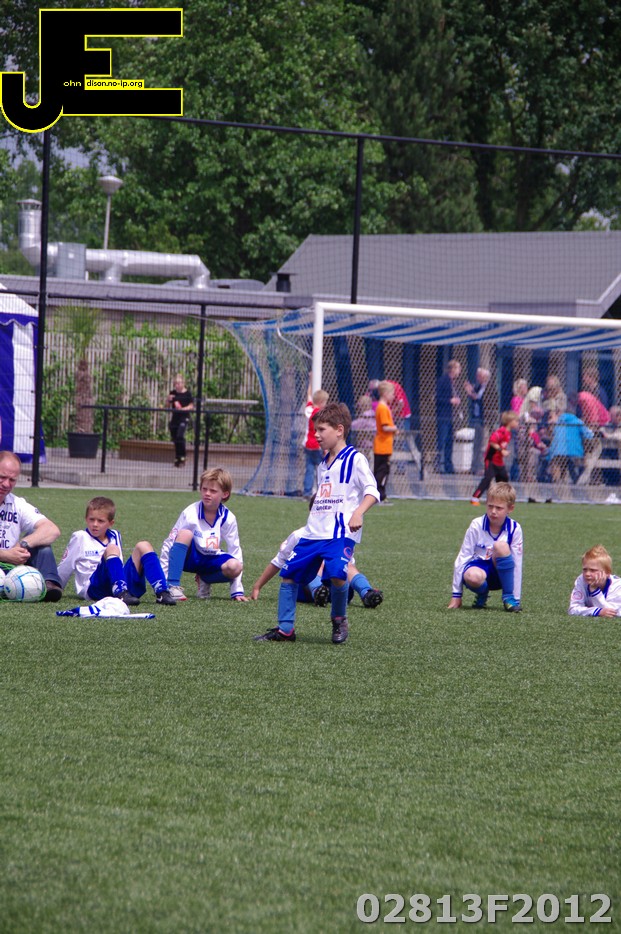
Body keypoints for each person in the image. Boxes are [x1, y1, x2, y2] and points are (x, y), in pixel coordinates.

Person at [254, 401, 380, 644]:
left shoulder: (355, 459)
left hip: (339, 533)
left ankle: (339, 620)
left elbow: (372, 491)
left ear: (339, 430)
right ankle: (285, 630)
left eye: (321, 429)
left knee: (337, 575)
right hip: (313, 533)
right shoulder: (323, 464)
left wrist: (358, 513)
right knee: (289, 575)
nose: (317, 435)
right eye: (315, 430)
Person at [58, 496, 176, 606]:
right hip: (94, 588)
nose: (95, 524)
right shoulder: (80, 537)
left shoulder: (115, 535)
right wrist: (56, 586)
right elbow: (66, 564)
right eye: (91, 519)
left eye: (100, 521)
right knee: (111, 548)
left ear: (111, 523)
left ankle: (162, 592)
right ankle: (121, 593)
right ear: (86, 519)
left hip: (119, 583)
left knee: (144, 545)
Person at [160, 466, 247, 602]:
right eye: (204, 489)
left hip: (211, 559)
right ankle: (173, 586)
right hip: (190, 559)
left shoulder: (228, 518)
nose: (207, 493)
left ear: (225, 494)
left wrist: (236, 590)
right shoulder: (190, 512)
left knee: (235, 566)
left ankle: (205, 579)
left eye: (213, 491)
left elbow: (235, 550)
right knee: (184, 534)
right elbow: (169, 544)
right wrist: (162, 582)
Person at [250, 525, 383, 608]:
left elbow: (347, 567)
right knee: (315, 561)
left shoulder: (341, 536)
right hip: (305, 589)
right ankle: (318, 591)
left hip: (337, 588)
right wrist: (257, 587)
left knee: (347, 565)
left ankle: (367, 593)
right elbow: (279, 561)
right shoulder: (300, 535)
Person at [448, 481, 523, 612]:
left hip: (501, 575)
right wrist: (456, 595)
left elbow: (517, 563)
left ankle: (508, 598)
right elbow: (463, 556)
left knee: (501, 546)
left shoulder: (515, 528)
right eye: (490, 506)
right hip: (479, 570)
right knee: (472, 576)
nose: (493, 511)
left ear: (510, 509)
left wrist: (516, 598)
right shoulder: (476, 524)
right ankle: (482, 594)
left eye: (499, 508)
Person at [0, 451, 63, 601]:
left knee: (41, 544)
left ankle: (49, 585)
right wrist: (5, 555)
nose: (6, 484)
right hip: (6, 560)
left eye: (12, 480)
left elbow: (52, 530)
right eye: (2, 477)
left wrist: (23, 544)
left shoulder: (17, 503)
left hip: (13, 566)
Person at [471, 411, 519, 505]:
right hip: (491, 459)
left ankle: (498, 499)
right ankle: (475, 497)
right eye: (516, 421)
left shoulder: (509, 433)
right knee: (488, 478)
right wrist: (502, 450)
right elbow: (492, 442)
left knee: (503, 479)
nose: (517, 423)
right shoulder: (501, 431)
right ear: (509, 422)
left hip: (499, 461)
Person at [544, 399, 593, 485]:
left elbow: (554, 438)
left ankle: (556, 482)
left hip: (558, 453)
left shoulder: (558, 422)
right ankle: (576, 482)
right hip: (575, 452)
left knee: (558, 461)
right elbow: (589, 435)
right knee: (572, 462)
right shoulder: (577, 421)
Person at [568, 545, 621, 617]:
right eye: (585, 569)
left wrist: (595, 591)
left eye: (593, 570)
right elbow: (573, 609)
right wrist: (597, 611)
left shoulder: (617, 586)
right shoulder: (581, 580)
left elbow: (612, 612)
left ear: (607, 573)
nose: (587, 574)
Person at [373, 380, 398, 502]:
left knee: (380, 471)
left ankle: (376, 494)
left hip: (384, 445)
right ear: (385, 394)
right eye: (392, 394)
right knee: (382, 472)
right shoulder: (382, 408)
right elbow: (385, 427)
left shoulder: (383, 407)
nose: (393, 396)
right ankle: (379, 495)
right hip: (383, 446)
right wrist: (394, 428)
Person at [303, 385, 329, 499]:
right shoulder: (320, 415)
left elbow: (308, 396)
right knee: (321, 468)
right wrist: (326, 448)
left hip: (307, 444)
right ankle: (321, 490)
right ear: (321, 402)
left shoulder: (309, 410)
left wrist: (310, 382)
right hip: (317, 445)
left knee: (309, 468)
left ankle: (307, 491)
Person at [435, 359, 462, 474]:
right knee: (442, 440)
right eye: (458, 368)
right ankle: (438, 464)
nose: (459, 371)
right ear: (453, 369)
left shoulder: (453, 382)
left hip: (451, 416)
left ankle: (448, 465)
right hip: (444, 415)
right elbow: (437, 398)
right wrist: (450, 400)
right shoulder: (443, 381)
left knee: (449, 441)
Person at [464, 366, 491, 475]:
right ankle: (475, 466)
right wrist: (471, 391)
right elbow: (475, 397)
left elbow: (480, 399)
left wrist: (471, 394)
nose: (477, 377)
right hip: (477, 417)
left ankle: (481, 467)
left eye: (479, 376)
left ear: (484, 377)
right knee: (477, 443)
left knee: (482, 444)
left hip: (484, 419)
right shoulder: (478, 387)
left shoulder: (489, 387)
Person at [166, 374, 194, 468]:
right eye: (175, 383)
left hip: (184, 417)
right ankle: (177, 457)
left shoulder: (187, 393)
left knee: (180, 435)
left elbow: (191, 406)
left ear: (183, 383)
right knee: (175, 438)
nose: (177, 385)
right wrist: (168, 400)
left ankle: (183, 456)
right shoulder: (173, 393)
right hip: (175, 418)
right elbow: (167, 405)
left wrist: (183, 409)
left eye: (178, 383)